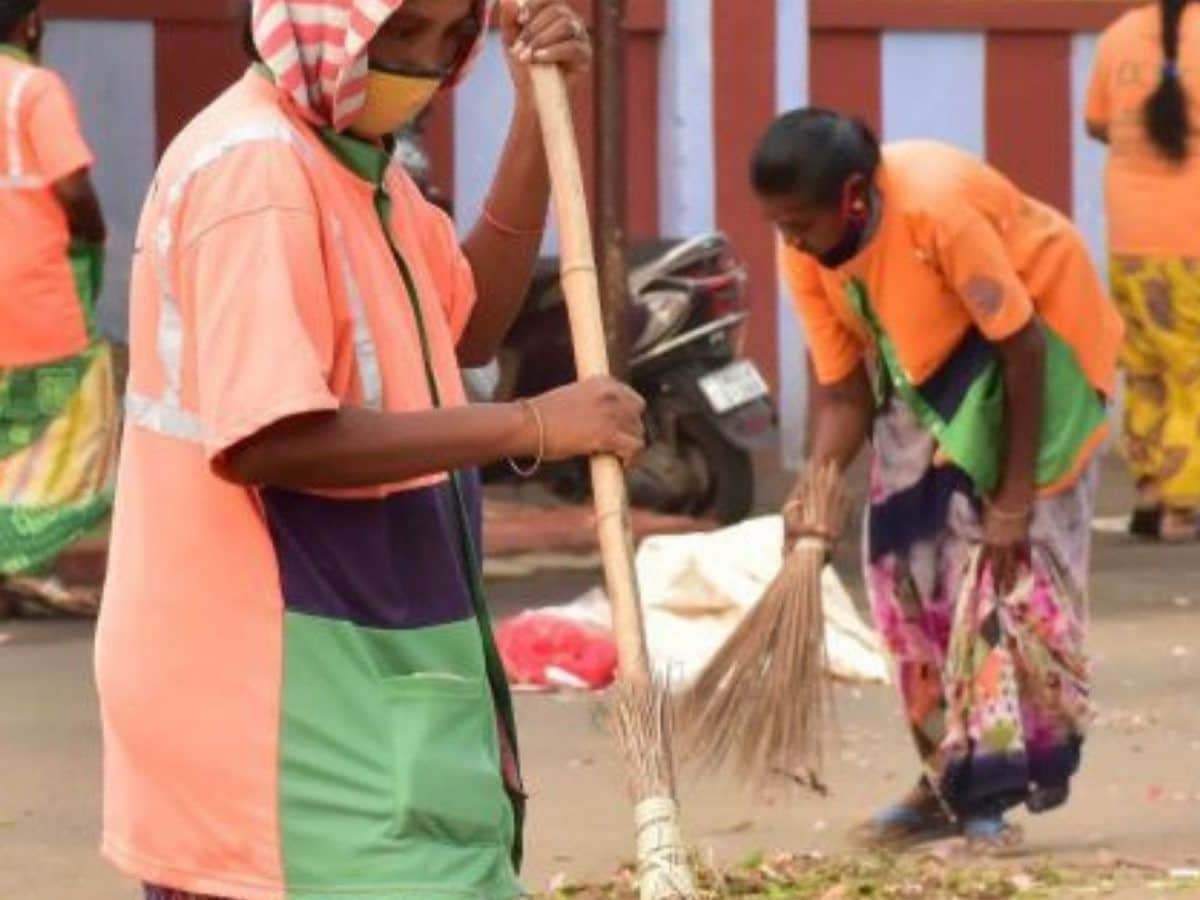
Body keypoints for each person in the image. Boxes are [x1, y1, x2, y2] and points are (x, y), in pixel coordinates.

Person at [95, 1, 644, 897]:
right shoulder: (257, 170)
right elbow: (273, 437)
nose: (424, 67)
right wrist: (534, 426)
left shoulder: (359, 168)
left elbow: (467, 325)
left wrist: (538, 114)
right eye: (399, 34)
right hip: (276, 695)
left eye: (450, 38)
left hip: (365, 662)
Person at [756, 110, 1123, 849]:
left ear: (854, 197)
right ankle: (945, 777)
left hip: (1036, 355)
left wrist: (1014, 499)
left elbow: (1018, 344)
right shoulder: (802, 246)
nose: (790, 239)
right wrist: (816, 488)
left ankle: (988, 789)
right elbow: (843, 393)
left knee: (998, 577)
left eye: (800, 222)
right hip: (927, 372)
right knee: (903, 571)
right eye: (778, 224)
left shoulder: (932, 208)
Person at [0, 0, 114, 617]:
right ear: (32, 23)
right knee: (75, 420)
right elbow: (71, 186)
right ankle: (17, 559)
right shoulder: (32, 88)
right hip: (31, 301)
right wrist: (95, 236)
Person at [1086, 0, 1200, 542]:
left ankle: (1151, 493)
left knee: (1149, 369)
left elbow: (1099, 123)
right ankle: (1185, 506)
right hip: (1192, 237)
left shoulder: (1117, 36)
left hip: (1130, 236)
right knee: (1192, 372)